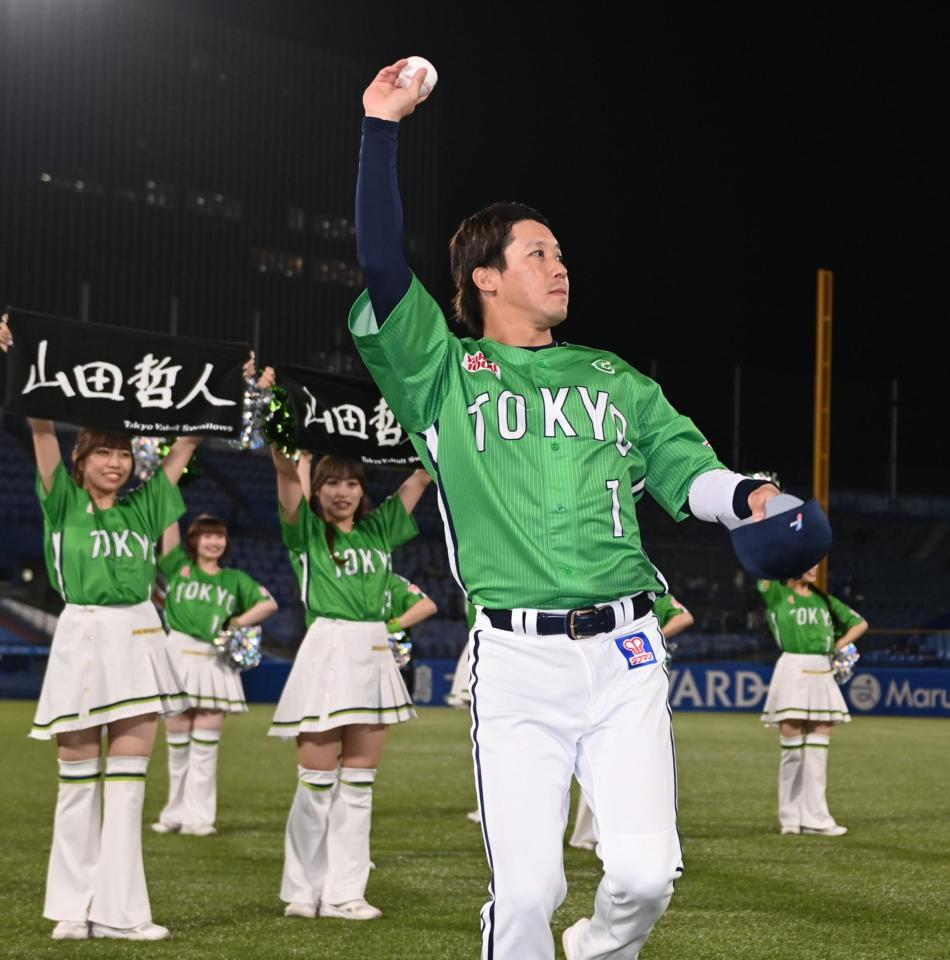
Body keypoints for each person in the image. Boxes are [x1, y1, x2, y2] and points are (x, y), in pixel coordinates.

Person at [349, 60, 784, 960]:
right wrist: (381, 127)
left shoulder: (611, 376)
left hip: (627, 653)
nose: (560, 265)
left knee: (642, 875)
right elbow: (382, 263)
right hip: (515, 662)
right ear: (482, 278)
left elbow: (687, 470)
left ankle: (597, 949)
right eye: (537, 253)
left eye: (559, 251)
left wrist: (749, 496)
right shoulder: (441, 372)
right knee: (529, 891)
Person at [0, 314, 200, 941]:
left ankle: (123, 912)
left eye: (121, 452)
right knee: (77, 785)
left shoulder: (147, 504)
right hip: (81, 634)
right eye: (103, 452)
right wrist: (17, 356)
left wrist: (229, 386)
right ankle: (72, 908)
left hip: (139, 636)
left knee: (128, 792)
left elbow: (189, 443)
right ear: (82, 459)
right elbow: (39, 421)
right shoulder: (60, 497)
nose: (114, 462)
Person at [269, 443, 431, 921]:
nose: (342, 492)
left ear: (363, 490)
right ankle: (302, 889)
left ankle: (346, 893)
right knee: (315, 783)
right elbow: (284, 471)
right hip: (326, 646)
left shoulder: (379, 529)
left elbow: (420, 477)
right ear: (316, 491)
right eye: (331, 483)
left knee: (358, 787)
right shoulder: (306, 533)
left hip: (373, 650)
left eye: (352, 483)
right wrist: (290, 440)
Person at [151, 513, 278, 836]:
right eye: (207, 535)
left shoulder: (234, 578)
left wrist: (234, 624)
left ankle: (200, 818)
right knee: (177, 749)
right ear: (194, 540)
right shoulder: (179, 566)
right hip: (177, 656)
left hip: (213, 662)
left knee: (205, 751)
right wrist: (169, 487)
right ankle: (173, 814)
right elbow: (169, 530)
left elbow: (268, 604)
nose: (213, 541)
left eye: (219, 536)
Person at [569, 593, 695, 851]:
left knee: (612, 755)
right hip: (600, 671)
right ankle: (595, 832)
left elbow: (686, 618)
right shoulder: (608, 591)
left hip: (628, 672)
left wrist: (655, 634)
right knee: (601, 754)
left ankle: (603, 833)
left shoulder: (647, 592)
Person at [758, 565, 867, 836]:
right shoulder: (778, 592)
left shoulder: (824, 599)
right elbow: (762, 566)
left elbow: (860, 623)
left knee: (819, 750)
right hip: (793, 667)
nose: (815, 568)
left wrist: (839, 646)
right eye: (808, 563)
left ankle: (816, 817)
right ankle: (790, 819)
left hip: (822, 668)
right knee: (792, 750)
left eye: (816, 563)